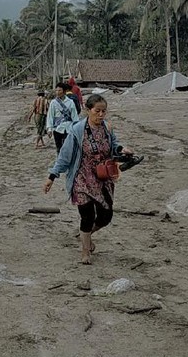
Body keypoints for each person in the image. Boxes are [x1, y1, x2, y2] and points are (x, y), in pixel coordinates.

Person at [43, 94, 133, 265]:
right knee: (87, 215)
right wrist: (52, 177)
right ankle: (85, 251)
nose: (101, 115)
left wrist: (122, 149)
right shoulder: (77, 131)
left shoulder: (107, 127)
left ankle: (86, 234)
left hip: (102, 179)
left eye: (104, 111)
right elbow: (65, 155)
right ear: (88, 110)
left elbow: (113, 144)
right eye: (97, 111)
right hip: (82, 179)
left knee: (106, 216)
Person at [46, 82, 77, 153]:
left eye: (59, 90)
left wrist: (76, 128)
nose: (57, 92)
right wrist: (49, 128)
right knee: (59, 148)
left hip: (69, 128)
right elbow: (50, 116)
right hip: (57, 128)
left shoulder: (70, 102)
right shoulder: (53, 103)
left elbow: (74, 116)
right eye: (56, 90)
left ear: (64, 91)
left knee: (68, 147)